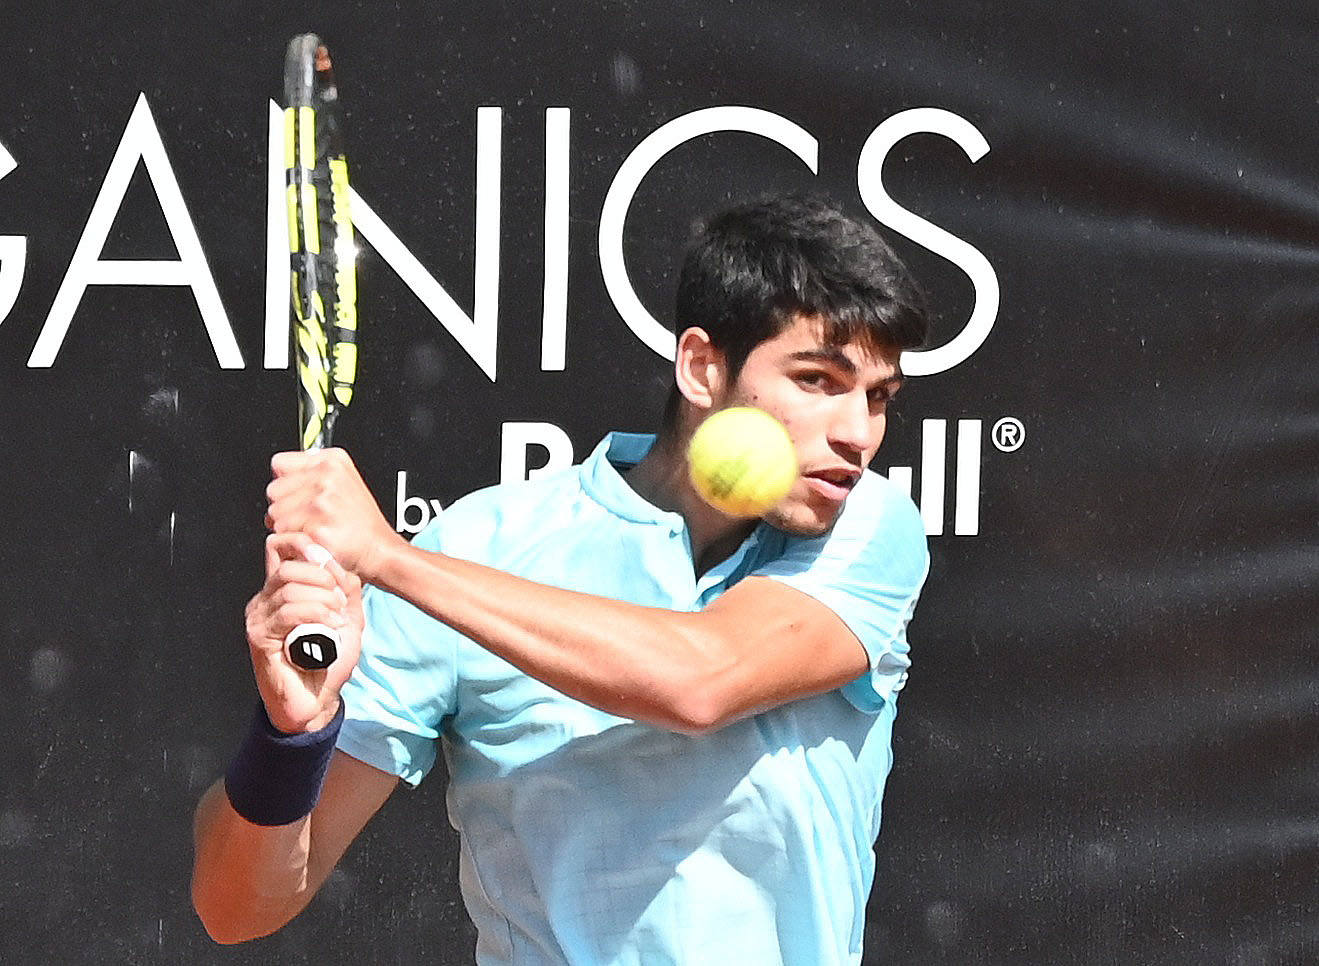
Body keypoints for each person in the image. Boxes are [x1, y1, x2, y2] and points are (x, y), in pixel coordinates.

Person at [192, 194, 933, 964]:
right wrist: (290, 737)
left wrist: (390, 560)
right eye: (817, 380)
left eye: (878, 397)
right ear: (702, 368)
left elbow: (701, 682)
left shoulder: (868, 526)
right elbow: (236, 908)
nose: (857, 433)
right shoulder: (478, 547)